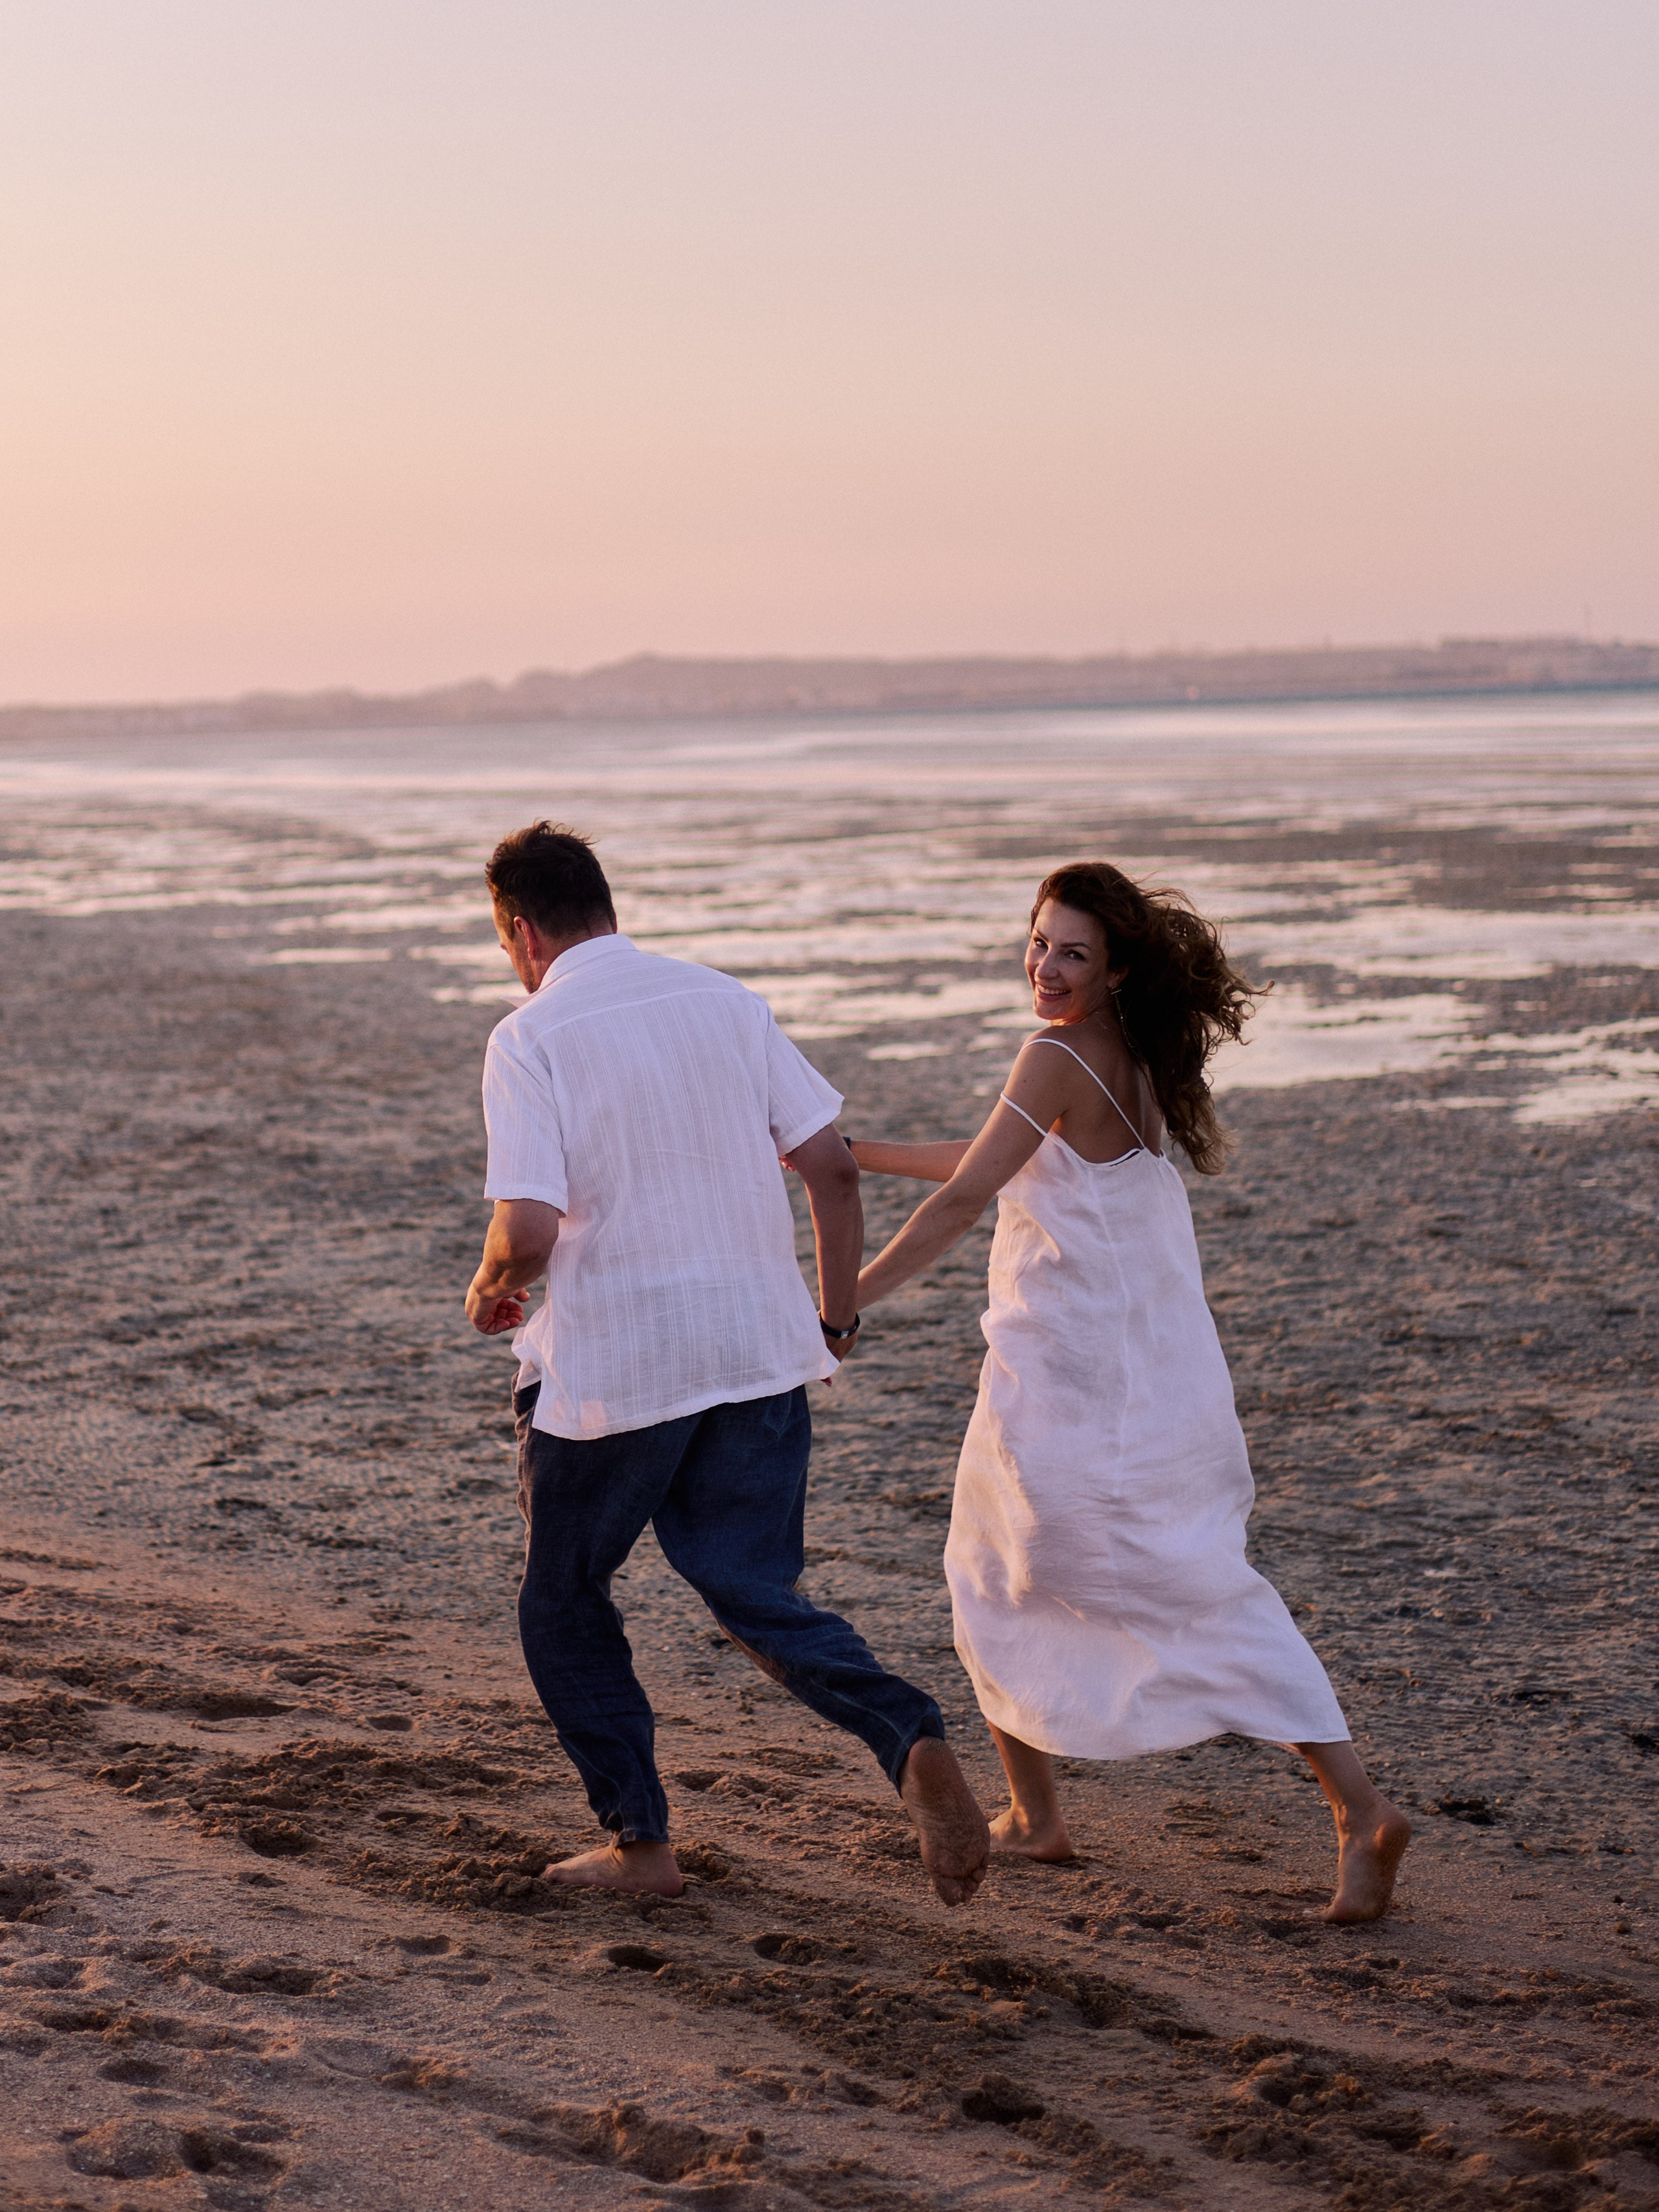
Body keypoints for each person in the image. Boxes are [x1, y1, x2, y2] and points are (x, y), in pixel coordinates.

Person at [848, 862, 1410, 1924]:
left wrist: (842, 1300)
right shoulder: (1126, 1057)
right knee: (992, 1561)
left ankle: (1360, 1808)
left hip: (1076, 1387)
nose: (1046, 967)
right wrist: (851, 1154)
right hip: (1110, 1378)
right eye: (1038, 942)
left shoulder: (1057, 1054)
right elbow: (995, 1159)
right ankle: (1034, 1814)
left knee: (1172, 1590)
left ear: (1111, 973)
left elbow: (972, 1192)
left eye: (1073, 953)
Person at [463, 821, 989, 1905]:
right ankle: (907, 1733)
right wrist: (832, 1322)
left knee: (563, 1600)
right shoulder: (726, 1000)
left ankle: (641, 1844)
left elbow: (525, 1227)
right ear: (606, 903)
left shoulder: (531, 1034)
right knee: (752, 1590)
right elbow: (834, 1172)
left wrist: (489, 1285)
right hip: (756, 1350)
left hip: (618, 1372)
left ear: (521, 932)